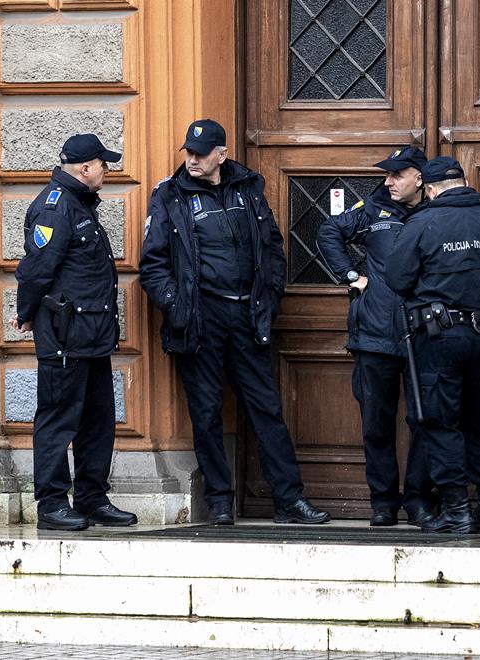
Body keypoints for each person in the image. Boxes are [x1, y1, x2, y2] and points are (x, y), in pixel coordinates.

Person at [139, 118, 330, 526]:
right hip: (199, 319)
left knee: (266, 408)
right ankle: (220, 502)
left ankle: (289, 500)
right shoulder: (169, 195)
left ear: (221, 154)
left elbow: (272, 246)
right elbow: (152, 264)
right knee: (206, 412)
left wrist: (271, 295)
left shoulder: (248, 188)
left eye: (201, 153)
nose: (192, 159)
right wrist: (177, 306)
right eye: (189, 152)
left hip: (247, 316)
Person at [387, 156, 480, 534]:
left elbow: (398, 278)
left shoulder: (422, 223)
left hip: (439, 337)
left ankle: (458, 510)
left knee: (441, 422)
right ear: (464, 182)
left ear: (431, 190)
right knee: (479, 422)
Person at [12, 133, 137, 531]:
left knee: (98, 420)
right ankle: (52, 504)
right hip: (65, 335)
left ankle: (91, 497)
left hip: (92, 334)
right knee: (58, 419)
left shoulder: (79, 204)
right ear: (85, 168)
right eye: (103, 164)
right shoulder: (55, 207)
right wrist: (26, 312)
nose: (107, 171)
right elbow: (36, 270)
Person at [316, 147, 436, 527]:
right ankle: (383, 502)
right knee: (376, 423)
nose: (389, 181)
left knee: (425, 420)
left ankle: (419, 500)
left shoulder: (437, 211)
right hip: (376, 333)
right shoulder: (372, 209)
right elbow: (328, 231)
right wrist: (351, 276)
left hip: (425, 335)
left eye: (397, 174)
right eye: (387, 174)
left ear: (419, 178)